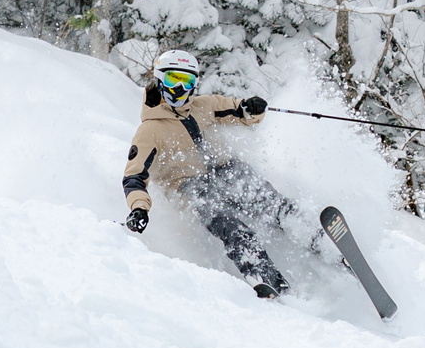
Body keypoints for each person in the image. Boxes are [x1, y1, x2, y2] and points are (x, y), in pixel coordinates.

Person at [121, 49, 300, 299]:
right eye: (173, 80)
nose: (179, 88)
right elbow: (134, 176)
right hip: (188, 187)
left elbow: (241, 112)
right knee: (230, 225)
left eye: (188, 81)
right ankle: (266, 278)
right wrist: (139, 208)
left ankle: (304, 229)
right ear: (160, 81)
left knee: (262, 194)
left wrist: (253, 107)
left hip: (222, 170)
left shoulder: (204, 106)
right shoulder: (149, 130)